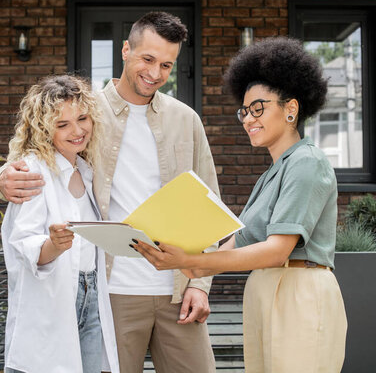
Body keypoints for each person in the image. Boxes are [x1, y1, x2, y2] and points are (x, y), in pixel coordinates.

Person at [0, 12, 217, 373]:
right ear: (126, 50)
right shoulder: (86, 112)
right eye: (147, 59)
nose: (155, 73)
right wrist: (2, 178)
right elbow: (38, 152)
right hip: (112, 295)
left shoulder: (186, 119)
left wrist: (201, 284)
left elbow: (209, 206)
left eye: (166, 65)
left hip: (178, 288)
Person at [133, 37, 348, 373]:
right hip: (264, 290)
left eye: (258, 108)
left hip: (299, 291)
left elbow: (278, 250)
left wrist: (192, 261)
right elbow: (234, 246)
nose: (248, 119)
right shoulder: (271, 175)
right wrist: (184, 260)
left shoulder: (307, 161)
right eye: (244, 111)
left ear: (291, 108)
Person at [0, 75, 119, 373]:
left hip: (91, 297)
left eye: (82, 118)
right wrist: (54, 245)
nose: (77, 131)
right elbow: (23, 243)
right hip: (52, 302)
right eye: (62, 124)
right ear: (43, 128)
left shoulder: (86, 168)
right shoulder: (31, 169)